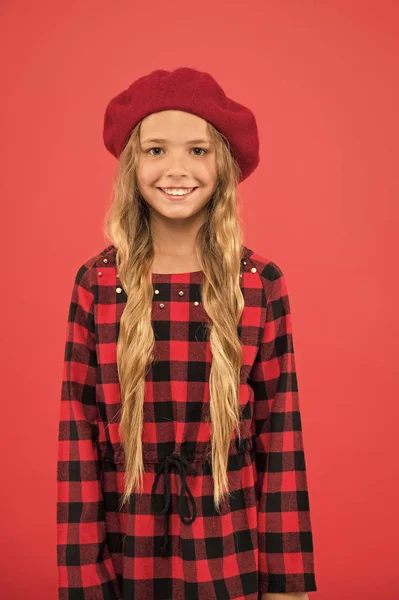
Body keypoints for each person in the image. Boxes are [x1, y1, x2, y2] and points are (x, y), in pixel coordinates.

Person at [56, 67, 318, 600]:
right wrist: (84, 579)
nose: (177, 168)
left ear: (223, 164)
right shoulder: (98, 282)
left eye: (197, 150)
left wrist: (288, 584)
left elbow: (281, 440)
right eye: (156, 150)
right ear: (132, 164)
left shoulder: (260, 283)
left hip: (231, 546)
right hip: (128, 546)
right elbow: (77, 443)